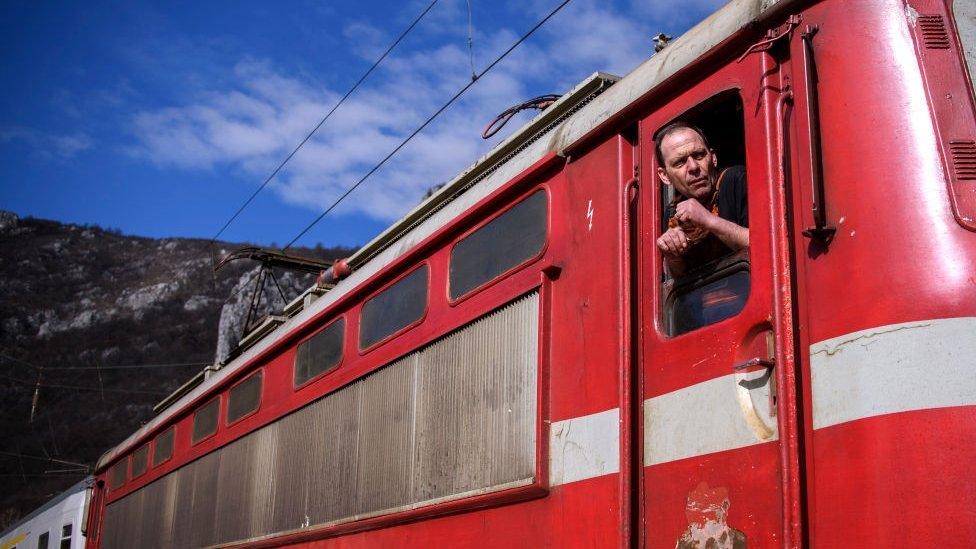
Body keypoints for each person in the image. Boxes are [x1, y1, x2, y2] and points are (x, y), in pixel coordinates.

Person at [654, 122, 749, 277]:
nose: (693, 167)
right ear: (665, 176)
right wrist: (673, 257)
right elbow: (679, 279)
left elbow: (766, 244)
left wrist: (708, 220)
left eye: (699, 155)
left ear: (713, 158)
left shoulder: (735, 180)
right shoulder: (673, 214)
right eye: (680, 162)